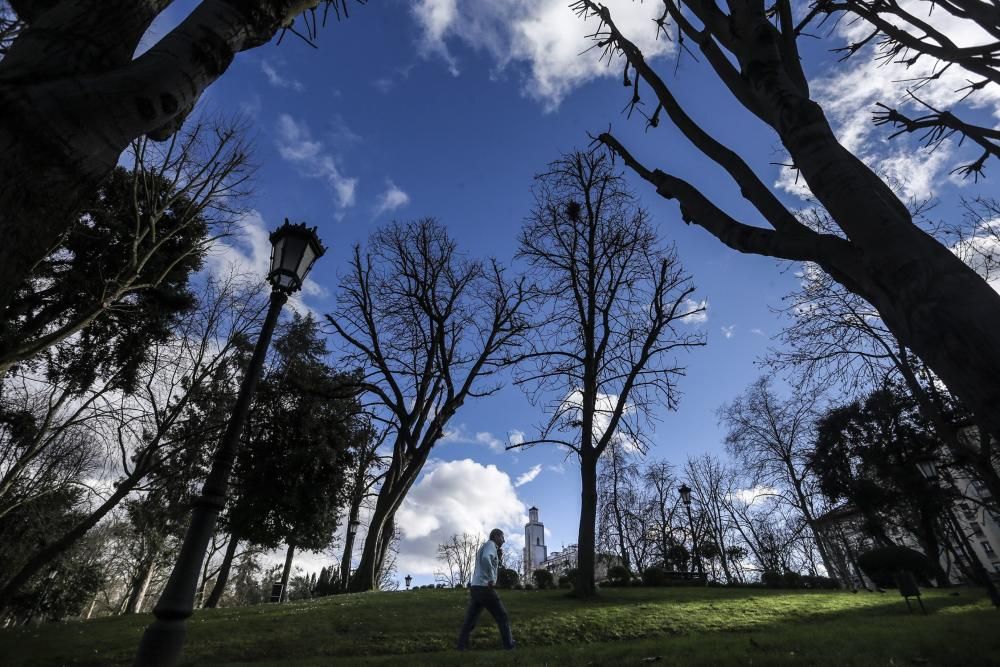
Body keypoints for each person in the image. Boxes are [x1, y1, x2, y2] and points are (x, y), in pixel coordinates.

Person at [456, 528, 515, 651]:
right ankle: (509, 647)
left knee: (470, 620)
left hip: (475, 587)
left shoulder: (488, 546)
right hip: (484, 588)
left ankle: (461, 647)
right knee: (502, 616)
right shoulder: (490, 545)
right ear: (496, 536)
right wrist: (490, 578)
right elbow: (485, 559)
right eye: (502, 537)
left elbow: (487, 559)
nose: (504, 541)